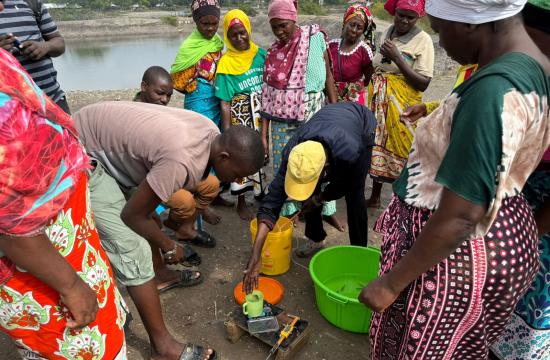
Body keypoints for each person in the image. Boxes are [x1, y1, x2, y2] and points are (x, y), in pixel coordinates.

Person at [358, 1, 550, 359]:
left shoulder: (493, 91)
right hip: (507, 228)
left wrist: (390, 283)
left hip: (453, 258)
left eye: (442, 28)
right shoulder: (533, 65)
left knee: (416, 349)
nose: (441, 42)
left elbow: (461, 215)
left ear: (473, 25)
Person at [75, 102, 264, 360]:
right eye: (238, 174)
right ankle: (161, 348)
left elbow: (150, 162)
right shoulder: (183, 160)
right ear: (224, 158)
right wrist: (169, 245)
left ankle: (160, 275)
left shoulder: (210, 131)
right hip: (81, 151)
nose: (237, 181)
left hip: (103, 136)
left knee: (149, 217)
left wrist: (149, 214)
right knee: (134, 246)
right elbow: (131, 215)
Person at [0, 48, 126, 358]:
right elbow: (13, 228)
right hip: (45, 271)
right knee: (86, 346)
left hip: (72, 250)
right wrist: (71, 286)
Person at [243, 103, 376, 292]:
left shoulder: (350, 153)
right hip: (328, 124)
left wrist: (319, 198)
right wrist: (256, 255)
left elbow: (343, 186)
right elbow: (270, 204)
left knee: (355, 198)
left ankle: (358, 255)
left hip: (360, 124)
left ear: (326, 167)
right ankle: (316, 237)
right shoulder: (294, 154)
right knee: (308, 195)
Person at [490, 1, 550, 358]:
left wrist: (527, 236)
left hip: (537, 232)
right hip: (513, 215)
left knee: (523, 328)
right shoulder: (523, 78)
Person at [132, 66, 221, 293]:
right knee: (184, 201)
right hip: (147, 180)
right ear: (144, 88)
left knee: (211, 184)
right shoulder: (133, 116)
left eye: (169, 96)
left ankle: (184, 228)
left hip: (172, 171)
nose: (164, 100)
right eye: (159, 93)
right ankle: (166, 246)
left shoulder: (164, 114)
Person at [261, 0, 343, 235]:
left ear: (294, 19)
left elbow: (328, 75)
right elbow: (267, 96)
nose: (280, 32)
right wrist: (264, 135)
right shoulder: (273, 51)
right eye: (274, 27)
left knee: (317, 164)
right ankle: (290, 210)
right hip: (280, 121)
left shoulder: (315, 39)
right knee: (285, 166)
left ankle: (324, 209)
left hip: (313, 116)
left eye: (283, 25)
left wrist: (335, 112)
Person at [365, 0, 434, 209]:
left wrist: (397, 57)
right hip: (380, 103)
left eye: (410, 17)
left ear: (418, 18)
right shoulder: (387, 32)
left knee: (404, 150)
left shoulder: (424, 41)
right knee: (378, 148)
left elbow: (423, 83)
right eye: (400, 15)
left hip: (402, 105)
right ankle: (376, 197)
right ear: (394, 13)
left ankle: (403, 202)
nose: (404, 20)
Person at [171, 0, 233, 209]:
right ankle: (199, 193)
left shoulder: (217, 44)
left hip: (217, 101)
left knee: (217, 144)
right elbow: (176, 78)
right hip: (197, 103)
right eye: (204, 24)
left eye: (214, 24)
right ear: (196, 21)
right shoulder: (189, 47)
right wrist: (198, 86)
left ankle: (214, 191)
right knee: (200, 147)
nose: (209, 28)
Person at [215, 9, 268, 221]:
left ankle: (260, 195)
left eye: (242, 32)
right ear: (227, 36)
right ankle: (241, 202)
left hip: (260, 116)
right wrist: (228, 135)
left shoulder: (261, 55)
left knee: (260, 157)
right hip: (240, 118)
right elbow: (225, 102)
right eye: (233, 34)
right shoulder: (226, 64)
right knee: (239, 160)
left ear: (249, 30)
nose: (239, 38)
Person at [0, 0, 70, 114]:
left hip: (53, 101)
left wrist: (45, 47)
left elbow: (60, 43)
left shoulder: (32, 3)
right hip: (9, 111)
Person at [328, 3, 376, 105]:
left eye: (359, 28)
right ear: (345, 22)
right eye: (352, 25)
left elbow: (368, 78)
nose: (354, 30)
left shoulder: (364, 50)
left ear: (363, 30)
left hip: (354, 99)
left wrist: (353, 88)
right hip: (331, 95)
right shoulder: (331, 45)